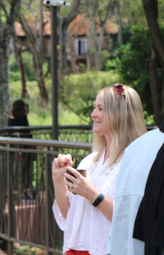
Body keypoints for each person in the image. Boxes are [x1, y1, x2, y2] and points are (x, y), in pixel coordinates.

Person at [52, 83, 146, 255]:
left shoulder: (136, 163)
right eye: (95, 107)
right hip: (75, 250)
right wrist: (58, 179)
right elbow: (68, 216)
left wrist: (92, 195)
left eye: (100, 108)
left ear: (121, 115)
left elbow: (133, 219)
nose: (93, 114)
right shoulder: (89, 162)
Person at [107, 124, 164, 255]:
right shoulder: (137, 148)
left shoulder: (138, 147)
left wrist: (94, 197)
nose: (94, 115)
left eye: (101, 109)